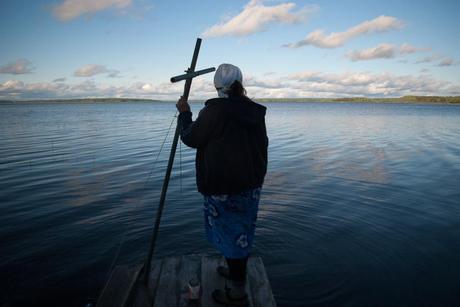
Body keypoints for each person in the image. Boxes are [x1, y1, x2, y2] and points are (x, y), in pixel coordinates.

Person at [176, 63, 268, 306]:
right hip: (250, 184)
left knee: (230, 233)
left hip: (224, 187)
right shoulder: (254, 112)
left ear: (217, 86)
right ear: (240, 83)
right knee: (240, 232)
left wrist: (185, 113)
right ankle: (234, 270)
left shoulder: (215, 111)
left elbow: (190, 137)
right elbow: (263, 145)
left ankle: (237, 293)